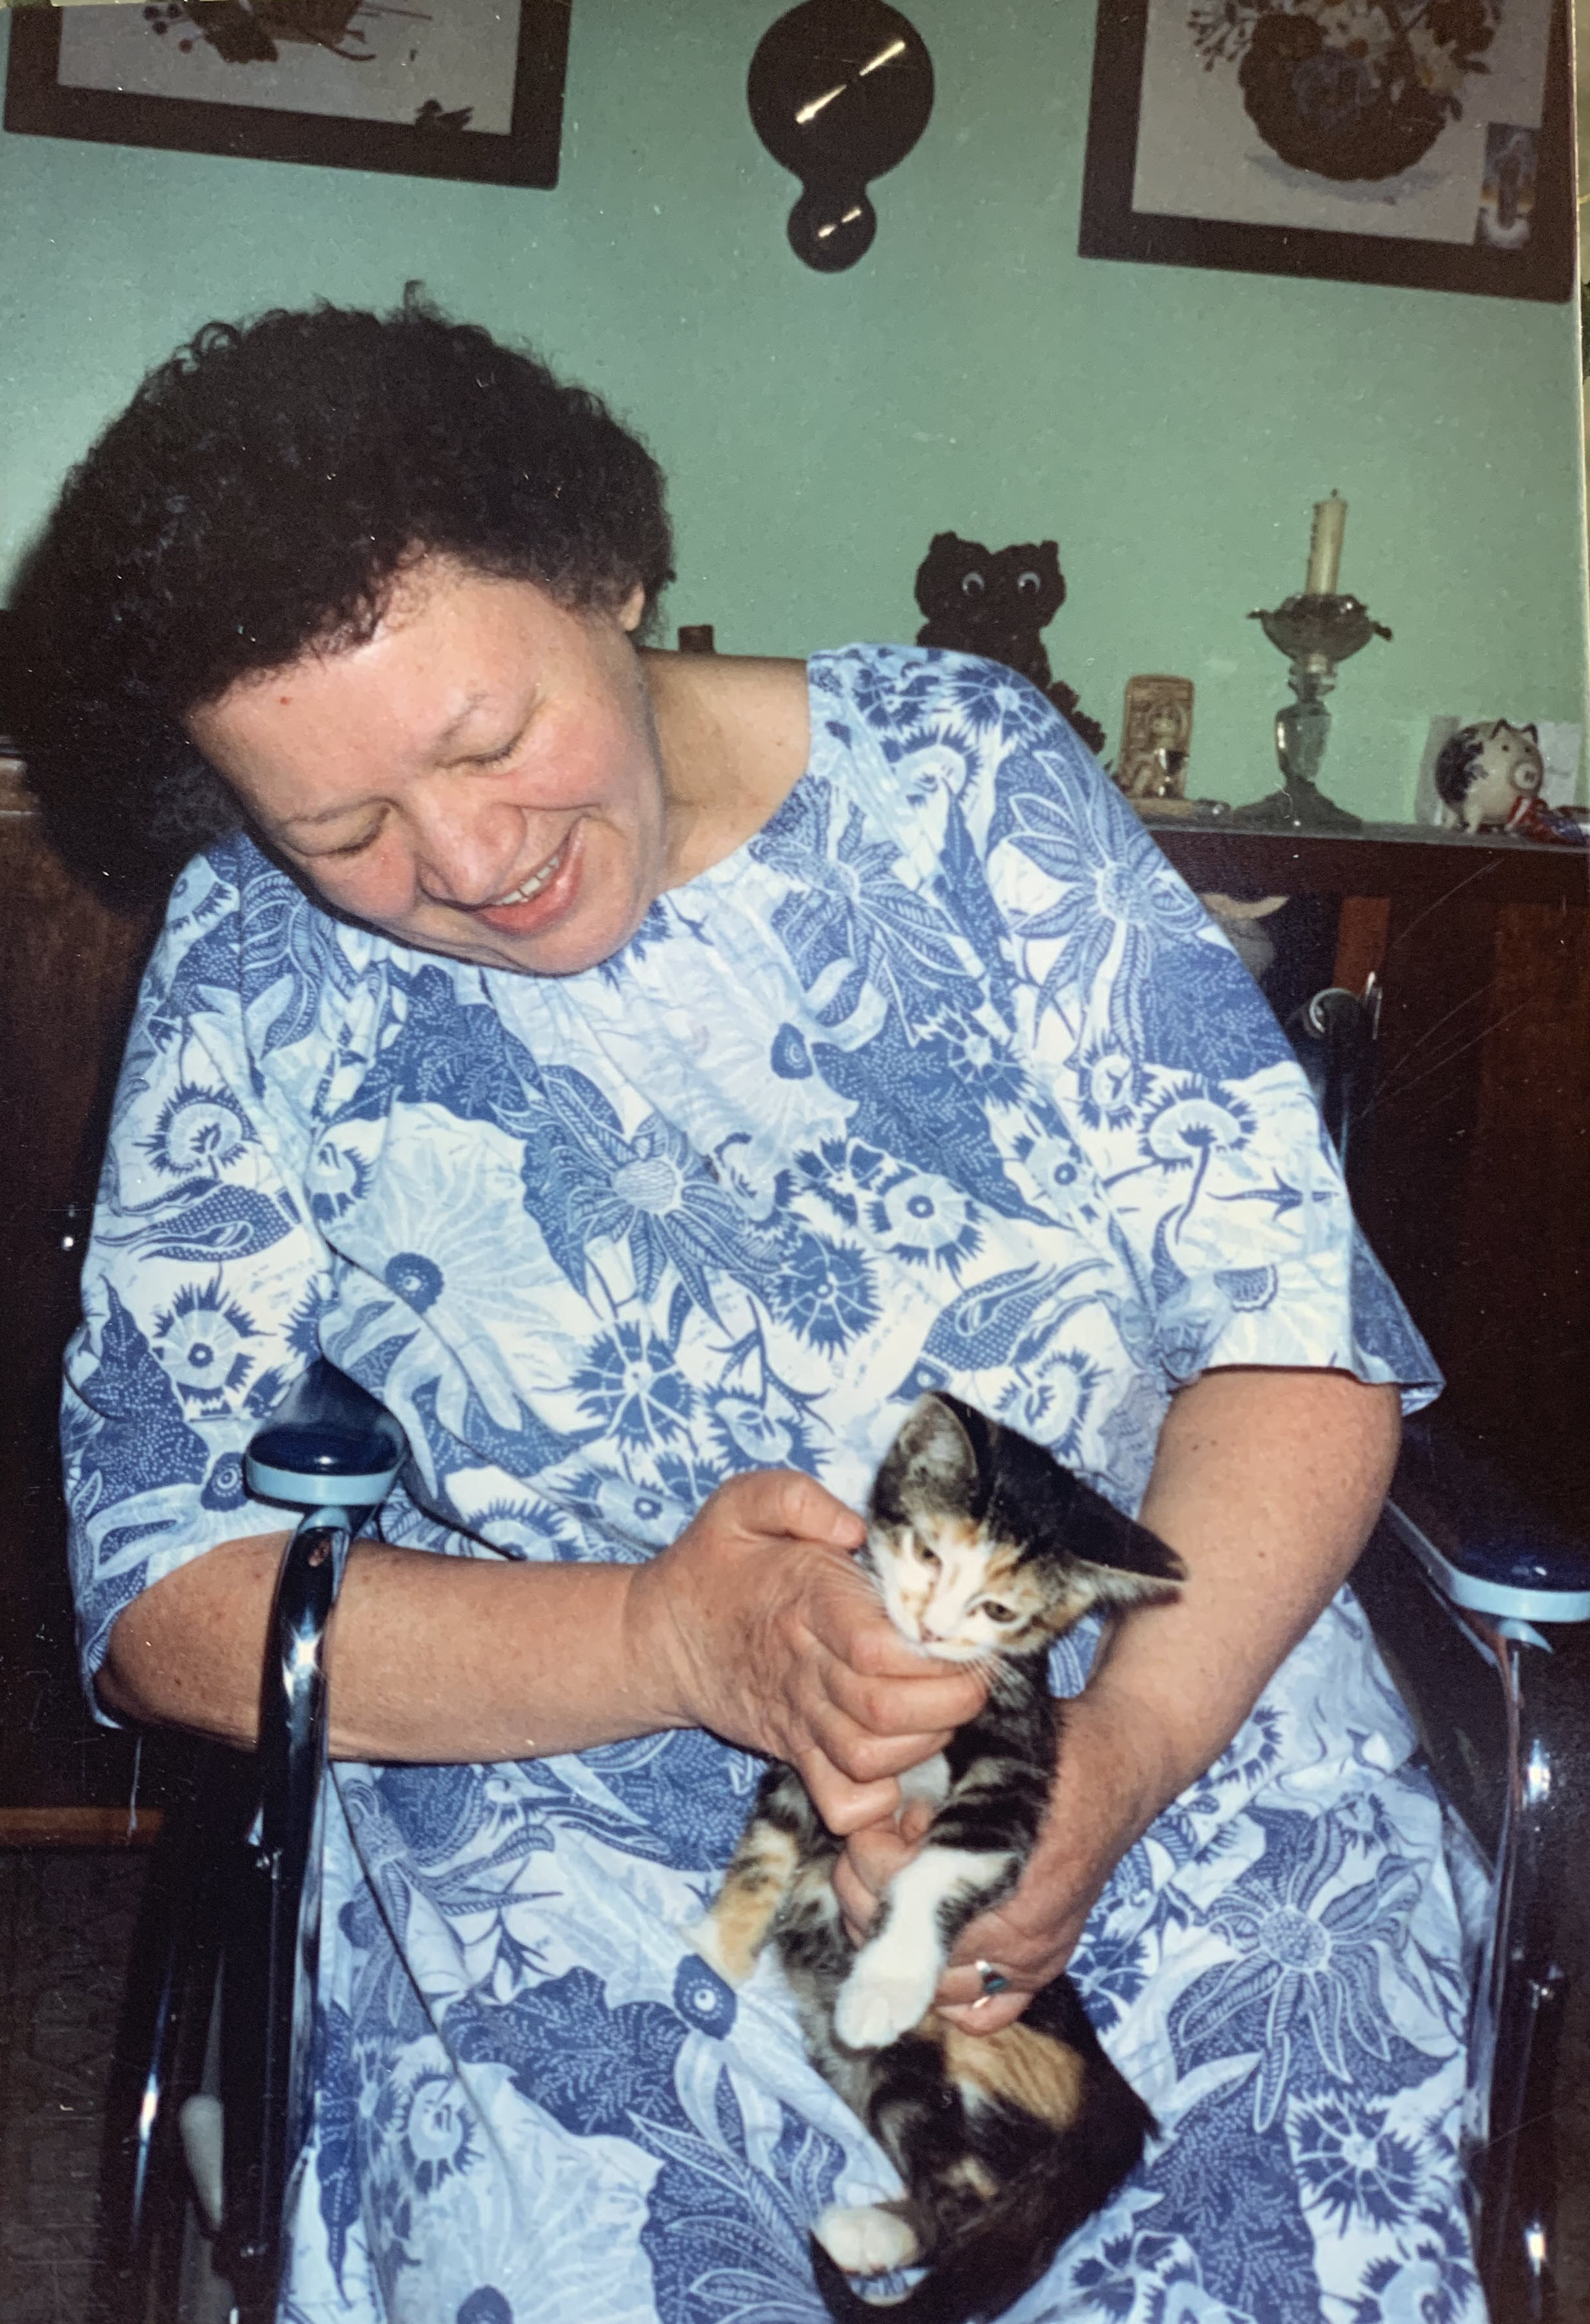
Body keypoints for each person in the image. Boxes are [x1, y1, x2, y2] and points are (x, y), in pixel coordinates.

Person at [16, 295, 1478, 2324]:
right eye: (340, 828)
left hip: (1155, 1705)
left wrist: (1125, 1763)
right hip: (573, 1804)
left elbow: (1292, 1343)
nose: (468, 861)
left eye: (487, 741)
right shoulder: (250, 967)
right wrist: (669, 1636)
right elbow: (165, 1596)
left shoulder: (966, 782)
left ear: (611, 575)